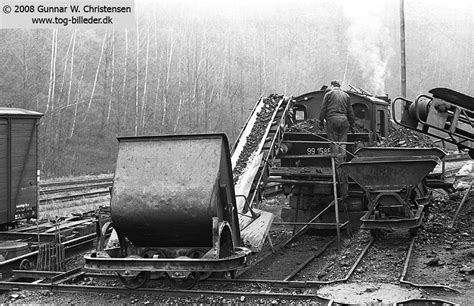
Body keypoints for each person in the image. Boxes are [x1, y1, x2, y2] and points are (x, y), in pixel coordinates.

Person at [318, 80, 355, 162]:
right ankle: (342, 162)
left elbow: (323, 109)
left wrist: (320, 122)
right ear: (339, 86)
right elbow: (350, 111)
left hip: (332, 120)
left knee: (333, 142)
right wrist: (352, 125)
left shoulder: (328, 94)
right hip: (344, 121)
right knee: (343, 142)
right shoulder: (346, 96)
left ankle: (336, 163)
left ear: (332, 86)